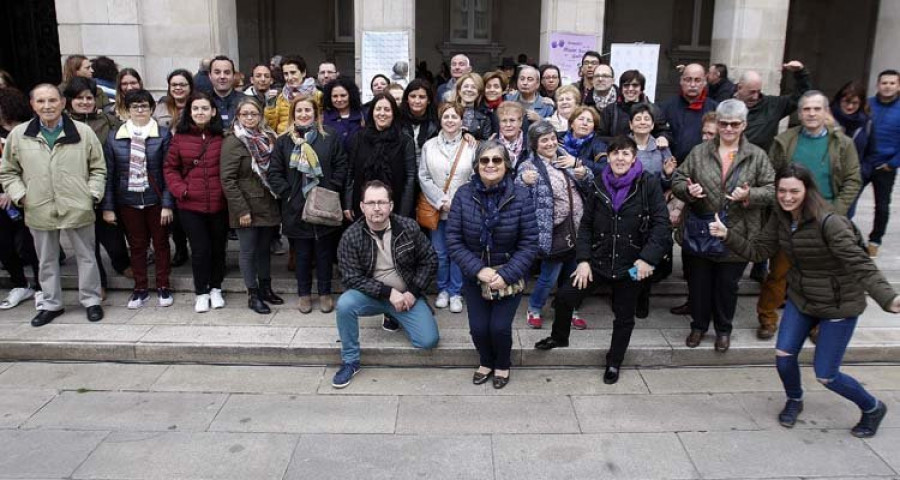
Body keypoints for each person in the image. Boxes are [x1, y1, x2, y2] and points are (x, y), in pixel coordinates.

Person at [709, 163, 900, 437]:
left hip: (838, 303)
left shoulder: (830, 222)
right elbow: (759, 250)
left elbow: (861, 264)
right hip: (802, 298)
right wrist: (727, 235)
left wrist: (889, 298)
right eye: (782, 191)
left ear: (808, 190)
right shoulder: (781, 216)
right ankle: (795, 399)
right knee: (784, 357)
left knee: (827, 375)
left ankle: (872, 408)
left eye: (794, 191)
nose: (787, 197)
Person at [534, 136, 671, 383]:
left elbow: (662, 225)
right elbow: (586, 224)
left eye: (625, 154)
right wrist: (584, 260)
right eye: (615, 153)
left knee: (624, 317)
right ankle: (559, 336)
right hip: (598, 260)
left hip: (631, 264)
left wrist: (647, 259)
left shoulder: (647, 184)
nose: (620, 158)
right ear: (609, 157)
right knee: (565, 297)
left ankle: (614, 362)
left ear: (633, 158)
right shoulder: (600, 183)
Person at [755, 91, 862, 339]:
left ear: (826, 112)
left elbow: (853, 179)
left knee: (821, 275)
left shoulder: (843, 144)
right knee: (779, 271)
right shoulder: (785, 140)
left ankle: (816, 323)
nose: (811, 114)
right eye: (806, 109)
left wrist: (835, 213)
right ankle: (767, 317)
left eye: (816, 109)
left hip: (825, 219)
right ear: (799, 113)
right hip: (790, 217)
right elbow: (771, 174)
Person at [671, 99, 775, 351]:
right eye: (724, 124)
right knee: (699, 285)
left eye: (734, 124)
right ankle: (698, 326)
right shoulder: (700, 151)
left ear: (744, 125)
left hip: (737, 232)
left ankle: (723, 330)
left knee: (727, 287)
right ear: (716, 124)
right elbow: (678, 178)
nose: (728, 129)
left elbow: (772, 190)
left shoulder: (757, 156)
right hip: (701, 230)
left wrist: (749, 195)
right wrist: (688, 189)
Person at [0, 84, 106, 327]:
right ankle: (51, 304)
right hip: (38, 206)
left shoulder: (82, 132)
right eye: (41, 101)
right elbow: (8, 172)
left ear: (62, 103)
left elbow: (98, 168)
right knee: (45, 259)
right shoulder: (20, 134)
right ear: (32, 105)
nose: (47, 106)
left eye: (52, 101)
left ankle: (91, 301)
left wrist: (91, 195)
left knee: (87, 256)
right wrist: (21, 196)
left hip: (77, 204)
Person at [447, 140, 538, 388]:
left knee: (499, 327)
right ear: (476, 165)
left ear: (507, 165)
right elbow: (453, 240)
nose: (490, 164)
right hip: (475, 275)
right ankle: (485, 361)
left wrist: (506, 274)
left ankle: (503, 364)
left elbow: (530, 243)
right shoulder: (463, 195)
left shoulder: (520, 196)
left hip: (509, 274)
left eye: (496, 160)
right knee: (478, 328)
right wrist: (479, 270)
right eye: (484, 160)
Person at [332, 180, 439, 388]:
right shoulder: (351, 236)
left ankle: (394, 314)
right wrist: (387, 292)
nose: (377, 208)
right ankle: (350, 361)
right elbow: (351, 277)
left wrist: (413, 292)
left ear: (391, 205)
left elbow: (430, 260)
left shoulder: (408, 227)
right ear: (362, 207)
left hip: (406, 294)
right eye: (371, 203)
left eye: (382, 202)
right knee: (345, 304)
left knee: (428, 341)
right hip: (371, 295)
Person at [269, 95, 347, 314]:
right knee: (301, 255)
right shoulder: (284, 141)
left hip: (324, 205)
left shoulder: (329, 137)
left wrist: (329, 189)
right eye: (299, 111)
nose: (304, 114)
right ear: (293, 114)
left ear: (316, 113)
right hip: (295, 207)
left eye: (308, 110)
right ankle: (304, 294)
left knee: (324, 255)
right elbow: (274, 172)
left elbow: (341, 165)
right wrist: (289, 195)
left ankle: (324, 293)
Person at [101, 89, 174, 309]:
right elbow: (110, 174)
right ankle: (140, 287)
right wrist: (108, 207)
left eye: (144, 106)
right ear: (126, 110)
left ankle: (163, 285)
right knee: (137, 245)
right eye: (135, 106)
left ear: (152, 109)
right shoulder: (115, 136)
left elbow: (168, 171)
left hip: (156, 199)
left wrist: (168, 204)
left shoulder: (162, 134)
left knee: (161, 244)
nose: (140, 110)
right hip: (128, 200)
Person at [517, 121, 594, 330]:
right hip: (554, 231)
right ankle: (534, 307)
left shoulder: (567, 159)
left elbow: (590, 186)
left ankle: (569, 309)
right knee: (549, 277)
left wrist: (584, 173)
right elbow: (517, 191)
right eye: (544, 140)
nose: (550, 143)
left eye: (552, 138)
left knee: (574, 276)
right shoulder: (529, 166)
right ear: (534, 144)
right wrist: (523, 180)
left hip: (578, 228)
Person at [64, 78, 133, 294]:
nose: (84, 102)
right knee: (86, 243)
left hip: (107, 186)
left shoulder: (110, 122)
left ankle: (121, 263)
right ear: (69, 101)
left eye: (88, 98)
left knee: (113, 235)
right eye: (79, 98)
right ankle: (98, 282)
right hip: (74, 188)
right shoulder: (62, 125)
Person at [163, 92, 228, 313]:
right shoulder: (179, 139)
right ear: (189, 113)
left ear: (213, 111)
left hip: (219, 204)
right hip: (190, 205)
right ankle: (201, 291)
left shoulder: (222, 137)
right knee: (200, 250)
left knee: (219, 248)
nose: (200, 112)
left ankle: (216, 288)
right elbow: (170, 168)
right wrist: (181, 190)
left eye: (204, 108)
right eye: (196, 109)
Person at [220, 97, 284, 314]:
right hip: (245, 207)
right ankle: (253, 294)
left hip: (268, 203)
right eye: (245, 114)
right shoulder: (233, 141)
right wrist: (241, 210)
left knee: (264, 250)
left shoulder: (269, 137)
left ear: (260, 116)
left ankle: (266, 287)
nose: (249, 118)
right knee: (248, 251)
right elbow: (227, 179)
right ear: (237, 116)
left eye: (253, 114)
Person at [418, 103, 476, 314]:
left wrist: (458, 201)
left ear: (462, 121)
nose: (450, 120)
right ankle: (442, 290)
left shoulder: (472, 146)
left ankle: (455, 292)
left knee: (459, 253)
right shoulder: (429, 145)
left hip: (462, 210)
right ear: (440, 120)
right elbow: (423, 175)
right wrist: (440, 200)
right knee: (440, 253)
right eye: (446, 117)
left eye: (454, 116)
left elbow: (475, 177)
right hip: (437, 209)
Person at [630, 104, 678, 317]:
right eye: (638, 118)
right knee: (628, 254)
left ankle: (642, 297)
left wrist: (668, 174)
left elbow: (669, 181)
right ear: (630, 124)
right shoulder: (624, 145)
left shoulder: (661, 147)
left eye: (646, 119)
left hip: (652, 209)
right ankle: (625, 296)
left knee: (647, 254)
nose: (642, 122)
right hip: (628, 207)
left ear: (652, 124)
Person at [670, 112, 719, 317]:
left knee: (714, 274)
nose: (706, 137)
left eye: (711, 133)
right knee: (691, 267)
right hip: (694, 221)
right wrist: (678, 207)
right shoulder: (696, 153)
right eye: (704, 133)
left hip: (719, 224)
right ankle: (693, 302)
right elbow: (682, 180)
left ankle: (711, 311)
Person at [344, 93, 416, 220]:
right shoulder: (359, 138)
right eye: (378, 109)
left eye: (387, 109)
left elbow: (410, 178)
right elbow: (350, 172)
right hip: (362, 204)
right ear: (372, 112)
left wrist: (404, 212)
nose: (382, 113)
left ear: (394, 113)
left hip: (395, 206)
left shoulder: (405, 141)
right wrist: (348, 203)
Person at [0, 87, 41, 311]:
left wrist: (14, 191)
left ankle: (41, 287)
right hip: (2, 198)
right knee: (4, 244)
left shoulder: (29, 130)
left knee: (31, 244)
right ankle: (19, 284)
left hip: (27, 195)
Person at [860, 69, 900, 258]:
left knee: (882, 206)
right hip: (864, 164)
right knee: (848, 199)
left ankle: (874, 241)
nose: (888, 86)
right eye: (884, 83)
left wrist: (893, 163)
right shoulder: (867, 104)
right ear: (878, 85)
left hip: (886, 166)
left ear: (898, 86)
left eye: (892, 83)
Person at [735, 60, 811, 152]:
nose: (755, 97)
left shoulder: (773, 105)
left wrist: (801, 74)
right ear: (740, 88)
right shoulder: (725, 107)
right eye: (751, 92)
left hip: (761, 163)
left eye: (758, 92)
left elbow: (801, 97)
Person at [660, 63, 719, 163]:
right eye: (688, 80)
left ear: (704, 82)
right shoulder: (665, 107)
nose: (692, 85)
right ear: (681, 81)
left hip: (705, 165)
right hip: (671, 167)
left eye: (697, 80)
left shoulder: (716, 109)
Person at [598, 69, 667, 142]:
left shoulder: (654, 110)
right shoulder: (610, 110)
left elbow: (663, 131)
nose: (630, 89)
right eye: (626, 85)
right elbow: (600, 137)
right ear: (621, 88)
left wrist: (663, 137)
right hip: (618, 151)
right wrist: (621, 143)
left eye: (635, 85)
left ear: (641, 89)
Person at [265, 55, 321, 134]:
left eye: (293, 72)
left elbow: (321, 123)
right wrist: (270, 108)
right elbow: (270, 127)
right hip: (284, 141)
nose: (289, 77)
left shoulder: (317, 95)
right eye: (286, 74)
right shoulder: (281, 96)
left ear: (303, 73)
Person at [559, 105, 608, 175]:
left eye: (589, 121)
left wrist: (577, 162)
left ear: (594, 127)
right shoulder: (558, 139)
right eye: (581, 119)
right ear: (572, 124)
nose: (585, 123)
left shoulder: (598, 145)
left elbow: (605, 168)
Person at [399, 78, 439, 163]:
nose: (417, 101)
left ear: (428, 100)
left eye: (422, 97)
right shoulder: (397, 120)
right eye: (413, 96)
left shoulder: (437, 122)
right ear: (407, 99)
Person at [322, 76, 364, 152]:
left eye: (343, 95)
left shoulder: (362, 115)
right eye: (335, 96)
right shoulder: (323, 117)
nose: (339, 99)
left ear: (351, 95)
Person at [453, 72, 494, 140]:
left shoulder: (484, 118)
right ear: (459, 91)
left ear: (478, 93)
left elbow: (485, 144)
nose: (469, 90)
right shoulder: (447, 111)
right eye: (466, 86)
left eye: (474, 87)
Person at [208, 55, 244, 128]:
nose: (222, 76)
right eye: (217, 72)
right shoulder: (202, 100)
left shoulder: (245, 100)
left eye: (227, 73)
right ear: (210, 76)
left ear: (234, 76)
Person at [495, 101, 530, 168]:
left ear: (520, 122)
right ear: (499, 123)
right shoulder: (492, 144)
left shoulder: (531, 143)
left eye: (512, 120)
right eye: (504, 121)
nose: (508, 125)